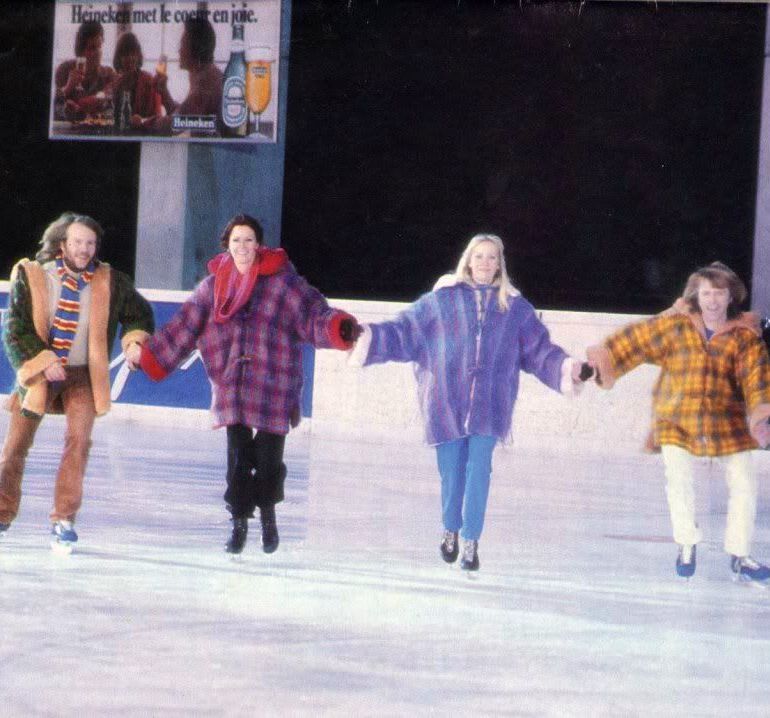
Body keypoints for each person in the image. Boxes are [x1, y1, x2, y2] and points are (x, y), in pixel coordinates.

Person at [349, 233, 589, 571]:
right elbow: (406, 331)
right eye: (480, 257)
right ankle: (451, 529)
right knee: (452, 473)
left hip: (490, 406)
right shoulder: (441, 301)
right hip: (445, 403)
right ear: (468, 260)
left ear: (499, 265)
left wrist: (567, 368)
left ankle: (471, 541)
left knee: (480, 470)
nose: (486, 264)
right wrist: (367, 337)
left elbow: (539, 351)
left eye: (493, 258)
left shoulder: (515, 309)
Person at [128, 214, 360, 556]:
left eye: (249, 240)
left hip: (274, 379)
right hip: (231, 380)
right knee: (237, 458)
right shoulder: (212, 286)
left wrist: (337, 328)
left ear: (259, 244)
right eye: (236, 240)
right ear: (227, 245)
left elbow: (313, 314)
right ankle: (239, 522)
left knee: (268, 460)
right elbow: (185, 325)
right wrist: (149, 355)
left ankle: (268, 515)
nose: (243, 247)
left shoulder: (283, 283)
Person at [587, 261, 770, 583]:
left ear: (731, 298)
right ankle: (687, 543)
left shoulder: (745, 338)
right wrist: (603, 360)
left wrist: (760, 416)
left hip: (727, 420)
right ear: (696, 297)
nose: (712, 300)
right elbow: (637, 340)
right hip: (677, 416)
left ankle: (739, 554)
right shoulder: (676, 326)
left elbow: (757, 380)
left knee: (744, 482)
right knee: (678, 479)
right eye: (706, 293)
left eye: (720, 293)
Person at [0, 213, 154, 551]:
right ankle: (2, 510)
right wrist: (44, 361)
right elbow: (15, 331)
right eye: (78, 242)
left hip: (83, 375)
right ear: (62, 243)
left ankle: (64, 519)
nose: (84, 249)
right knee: (14, 448)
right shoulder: (34, 275)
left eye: (90, 243)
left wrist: (134, 343)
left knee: (79, 442)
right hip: (40, 374)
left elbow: (139, 314)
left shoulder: (110, 280)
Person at [148, 17, 223, 134]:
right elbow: (184, 116)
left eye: (183, 44)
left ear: (196, 48)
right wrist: (164, 93)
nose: (179, 50)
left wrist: (143, 123)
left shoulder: (206, 83)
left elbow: (173, 125)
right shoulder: (206, 74)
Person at [54, 21, 116, 121]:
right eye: (92, 48)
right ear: (81, 50)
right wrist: (68, 88)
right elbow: (53, 112)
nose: (97, 53)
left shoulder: (108, 74)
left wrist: (97, 98)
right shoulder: (64, 70)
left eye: (99, 47)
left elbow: (111, 111)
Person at [111, 32, 161, 130]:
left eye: (133, 53)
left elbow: (158, 117)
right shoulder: (116, 84)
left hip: (143, 135)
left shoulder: (149, 80)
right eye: (125, 54)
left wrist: (141, 120)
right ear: (119, 58)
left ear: (138, 55)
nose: (130, 58)